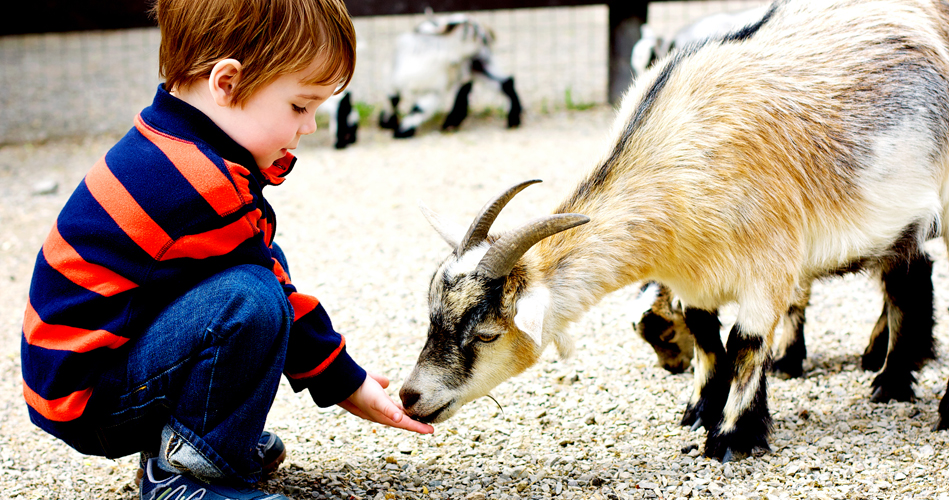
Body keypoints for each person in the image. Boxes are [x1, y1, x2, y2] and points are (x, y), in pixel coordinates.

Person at [20, 0, 434, 498]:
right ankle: (189, 472)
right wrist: (345, 382)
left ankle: (192, 440)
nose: (310, 126)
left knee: (249, 291)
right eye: (300, 106)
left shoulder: (169, 144)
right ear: (227, 84)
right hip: (91, 400)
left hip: (79, 380)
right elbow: (272, 282)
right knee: (251, 300)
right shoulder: (201, 185)